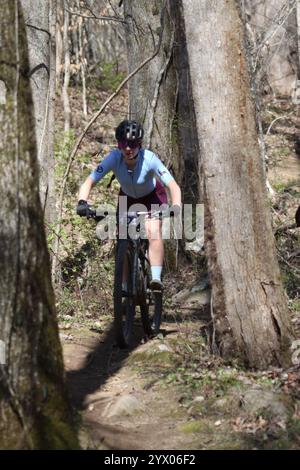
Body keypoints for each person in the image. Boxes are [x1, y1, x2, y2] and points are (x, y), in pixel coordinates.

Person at [76, 119, 182, 290]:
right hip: (128, 198)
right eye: (123, 143)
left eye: (132, 144)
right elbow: (90, 181)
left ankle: (155, 279)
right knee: (123, 238)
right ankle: (124, 288)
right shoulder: (114, 158)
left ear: (139, 144)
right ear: (118, 144)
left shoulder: (150, 159)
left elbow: (173, 186)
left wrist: (176, 206)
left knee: (152, 230)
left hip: (153, 197)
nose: (127, 148)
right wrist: (82, 202)